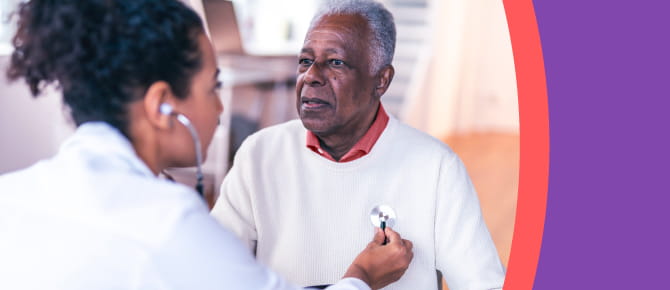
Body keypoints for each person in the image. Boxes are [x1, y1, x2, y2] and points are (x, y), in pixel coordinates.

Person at [0, 1, 413, 289]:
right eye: (212, 87)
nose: (219, 108)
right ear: (163, 105)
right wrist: (362, 275)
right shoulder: (167, 224)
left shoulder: (10, 193)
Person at [211, 0, 505, 289]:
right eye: (305, 61)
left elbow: (484, 283)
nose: (311, 76)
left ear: (381, 81)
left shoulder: (437, 168)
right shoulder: (259, 154)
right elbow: (210, 271)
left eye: (336, 63)